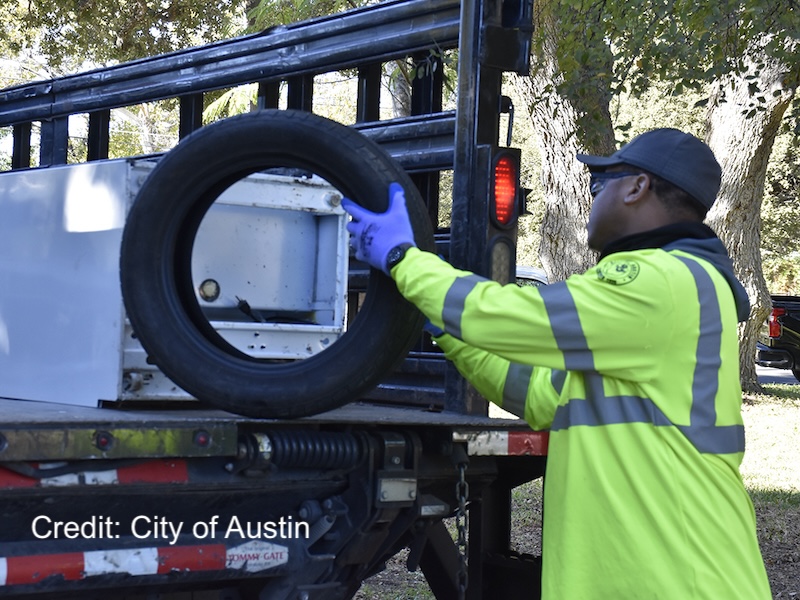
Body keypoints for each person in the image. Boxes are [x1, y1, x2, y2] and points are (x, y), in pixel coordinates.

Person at [342, 128, 772, 599]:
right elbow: (536, 394)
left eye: (598, 185)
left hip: (677, 581)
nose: (589, 200)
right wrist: (444, 325)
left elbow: (512, 316)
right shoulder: (655, 304)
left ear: (636, 187)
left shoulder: (662, 281)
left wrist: (405, 259)